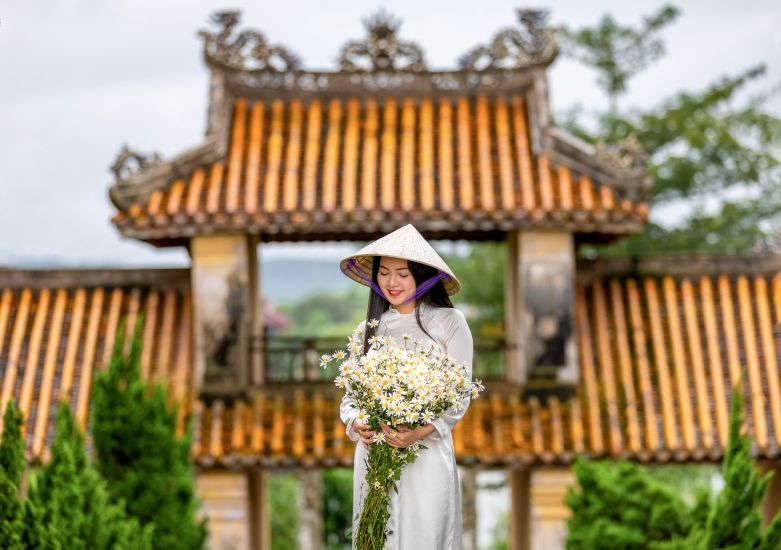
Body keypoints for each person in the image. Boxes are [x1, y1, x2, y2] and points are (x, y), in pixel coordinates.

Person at [338, 223, 474, 550]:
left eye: (402, 273)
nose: (392, 282)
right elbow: (350, 398)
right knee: (376, 537)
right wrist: (357, 423)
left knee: (426, 536)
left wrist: (418, 432)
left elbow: (460, 394)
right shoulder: (368, 330)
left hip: (425, 456)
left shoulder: (450, 323)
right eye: (384, 273)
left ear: (422, 275)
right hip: (374, 456)